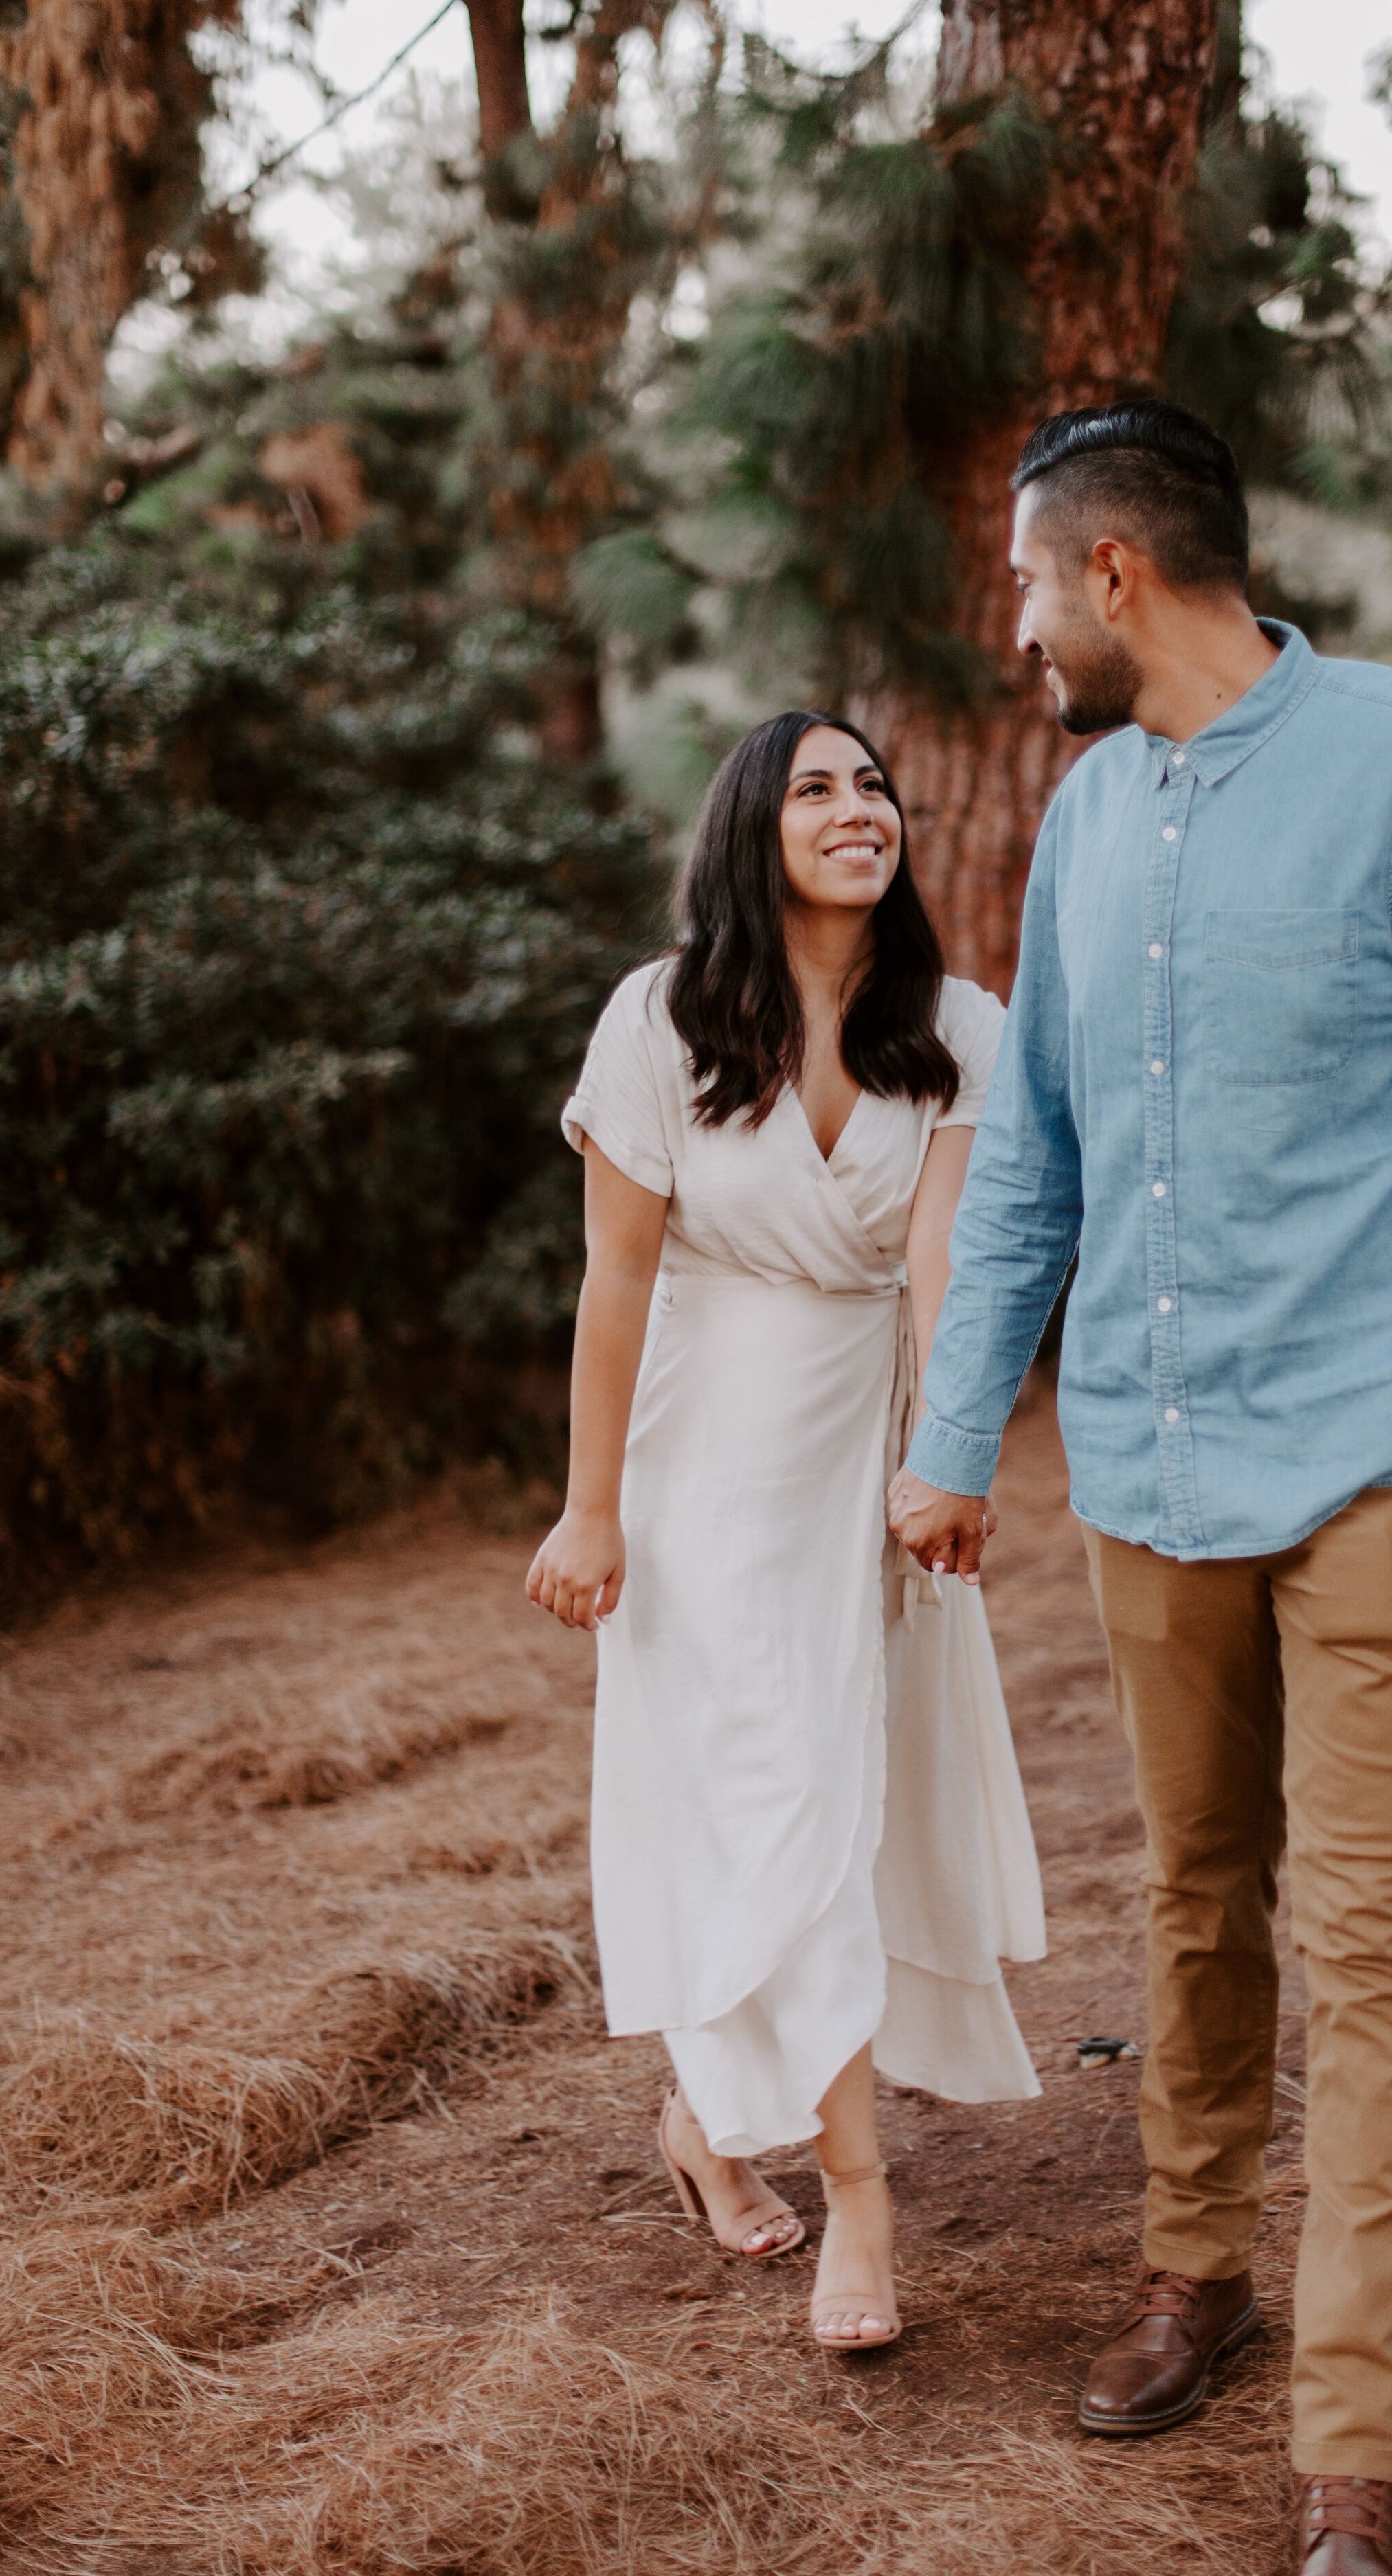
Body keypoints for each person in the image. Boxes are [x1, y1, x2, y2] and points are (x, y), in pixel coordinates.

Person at [887, 401, 1392, 2572]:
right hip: (1142, 1451)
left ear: (1115, 572)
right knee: (1196, 1901)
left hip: (1386, 1457)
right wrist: (951, 1437)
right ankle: (1188, 2268)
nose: (1013, 626)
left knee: (1370, 1944)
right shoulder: (1088, 817)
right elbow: (1023, 1164)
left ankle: (1350, 2453)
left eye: (1026, 582)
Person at [527, 710, 1045, 2353]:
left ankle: (707, 2123)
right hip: (705, 1472)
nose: (856, 810)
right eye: (815, 788)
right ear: (753, 829)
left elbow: (944, 1263)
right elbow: (613, 1281)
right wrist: (590, 1504)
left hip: (866, 1458)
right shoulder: (663, 1018)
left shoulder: (954, 1024)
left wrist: (946, 1462)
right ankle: (859, 2202)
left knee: (843, 1802)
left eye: (873, 785)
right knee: (771, 1799)